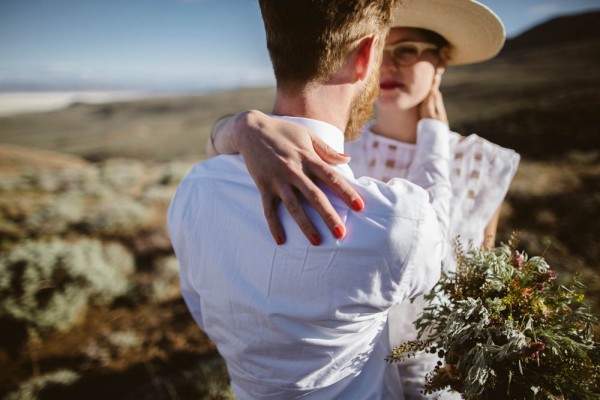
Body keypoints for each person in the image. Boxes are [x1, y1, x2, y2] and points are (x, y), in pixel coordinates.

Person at [206, 0, 520, 398]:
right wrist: (240, 126)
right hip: (348, 375)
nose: (388, 65)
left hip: (443, 376)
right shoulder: (330, 150)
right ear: (365, 56)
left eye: (406, 52)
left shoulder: (485, 163)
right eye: (383, 48)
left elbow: (482, 268)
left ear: (440, 62)